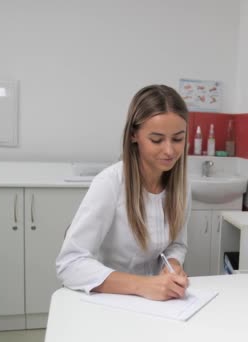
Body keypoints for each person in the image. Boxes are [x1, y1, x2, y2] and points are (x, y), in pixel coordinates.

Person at [56, 84, 190, 301]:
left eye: (178, 139)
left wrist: (172, 265)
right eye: (156, 139)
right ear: (134, 136)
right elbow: (69, 264)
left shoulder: (181, 186)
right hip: (110, 298)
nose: (169, 150)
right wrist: (144, 285)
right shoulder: (109, 184)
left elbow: (177, 244)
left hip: (155, 300)